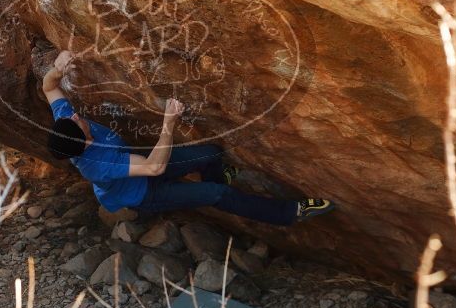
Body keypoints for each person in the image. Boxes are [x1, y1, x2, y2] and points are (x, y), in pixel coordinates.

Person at [42, 50, 335, 225]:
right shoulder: (97, 163)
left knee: (211, 154)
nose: (76, 116)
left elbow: (49, 88)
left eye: (72, 116)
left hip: (140, 168)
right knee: (216, 195)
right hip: (143, 193)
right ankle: (290, 212)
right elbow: (153, 167)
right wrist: (168, 122)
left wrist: (57, 68)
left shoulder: (65, 124)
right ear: (86, 142)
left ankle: (219, 180)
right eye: (78, 122)